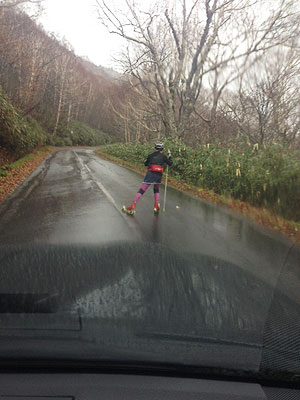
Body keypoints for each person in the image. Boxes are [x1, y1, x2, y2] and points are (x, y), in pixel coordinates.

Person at [124, 142, 172, 214]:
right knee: (156, 189)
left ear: (155, 148)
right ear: (162, 149)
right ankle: (156, 206)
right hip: (158, 175)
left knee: (142, 190)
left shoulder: (150, 155)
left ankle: (133, 206)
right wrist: (169, 157)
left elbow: (145, 164)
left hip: (150, 174)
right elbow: (170, 163)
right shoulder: (163, 156)